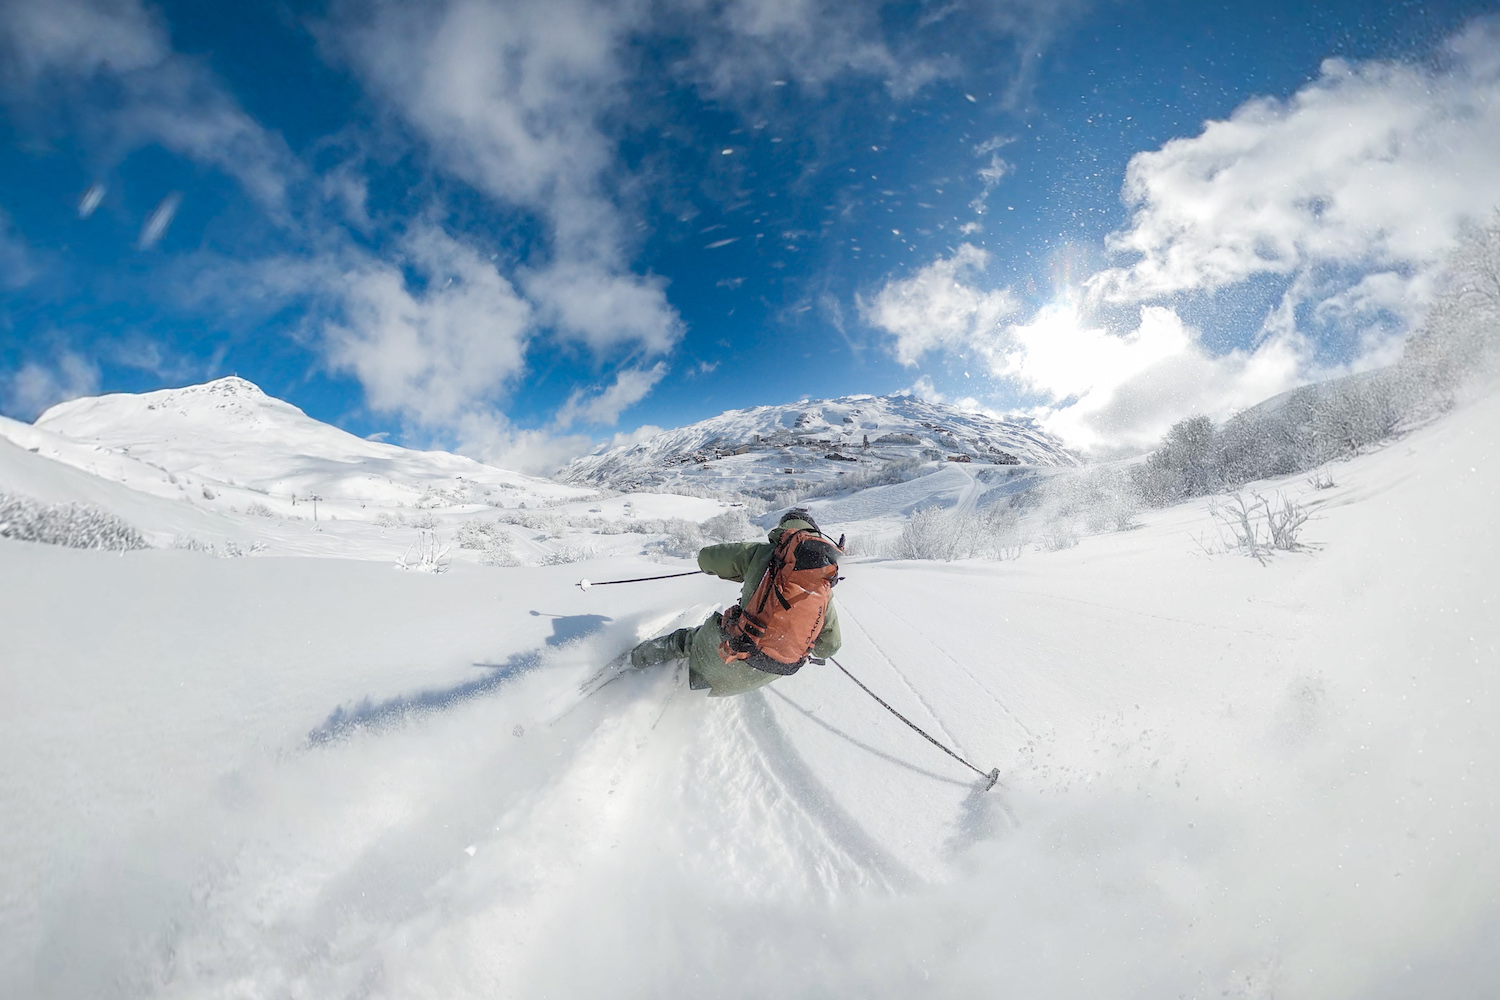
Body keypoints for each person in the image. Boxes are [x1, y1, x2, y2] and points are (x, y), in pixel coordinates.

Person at [629, 509, 842, 697]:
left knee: (686, 641)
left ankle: (633, 659)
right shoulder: (822, 586)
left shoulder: (761, 554)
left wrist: (747, 568)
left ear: (784, 530)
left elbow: (706, 558)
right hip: (765, 673)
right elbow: (829, 647)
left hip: (728, 653)